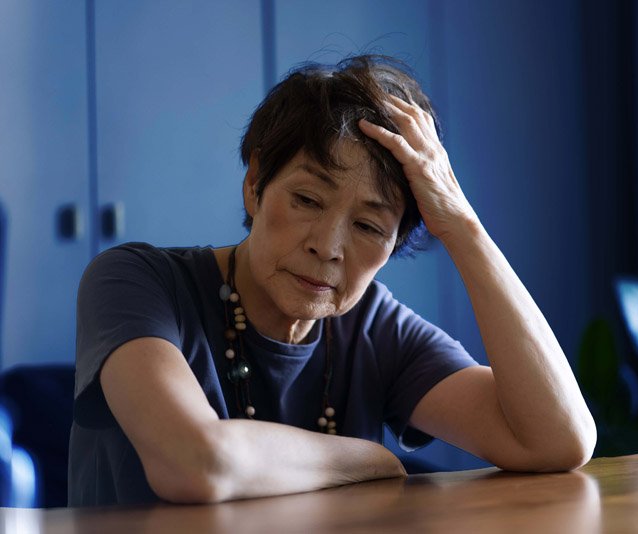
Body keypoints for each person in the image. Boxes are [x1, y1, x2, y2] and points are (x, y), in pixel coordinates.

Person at [68, 55, 596, 506]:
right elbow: (197, 464)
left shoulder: (373, 327)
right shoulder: (135, 282)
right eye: (306, 200)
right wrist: (372, 458)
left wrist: (462, 226)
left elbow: (556, 441)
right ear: (255, 186)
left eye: (369, 226)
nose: (329, 245)